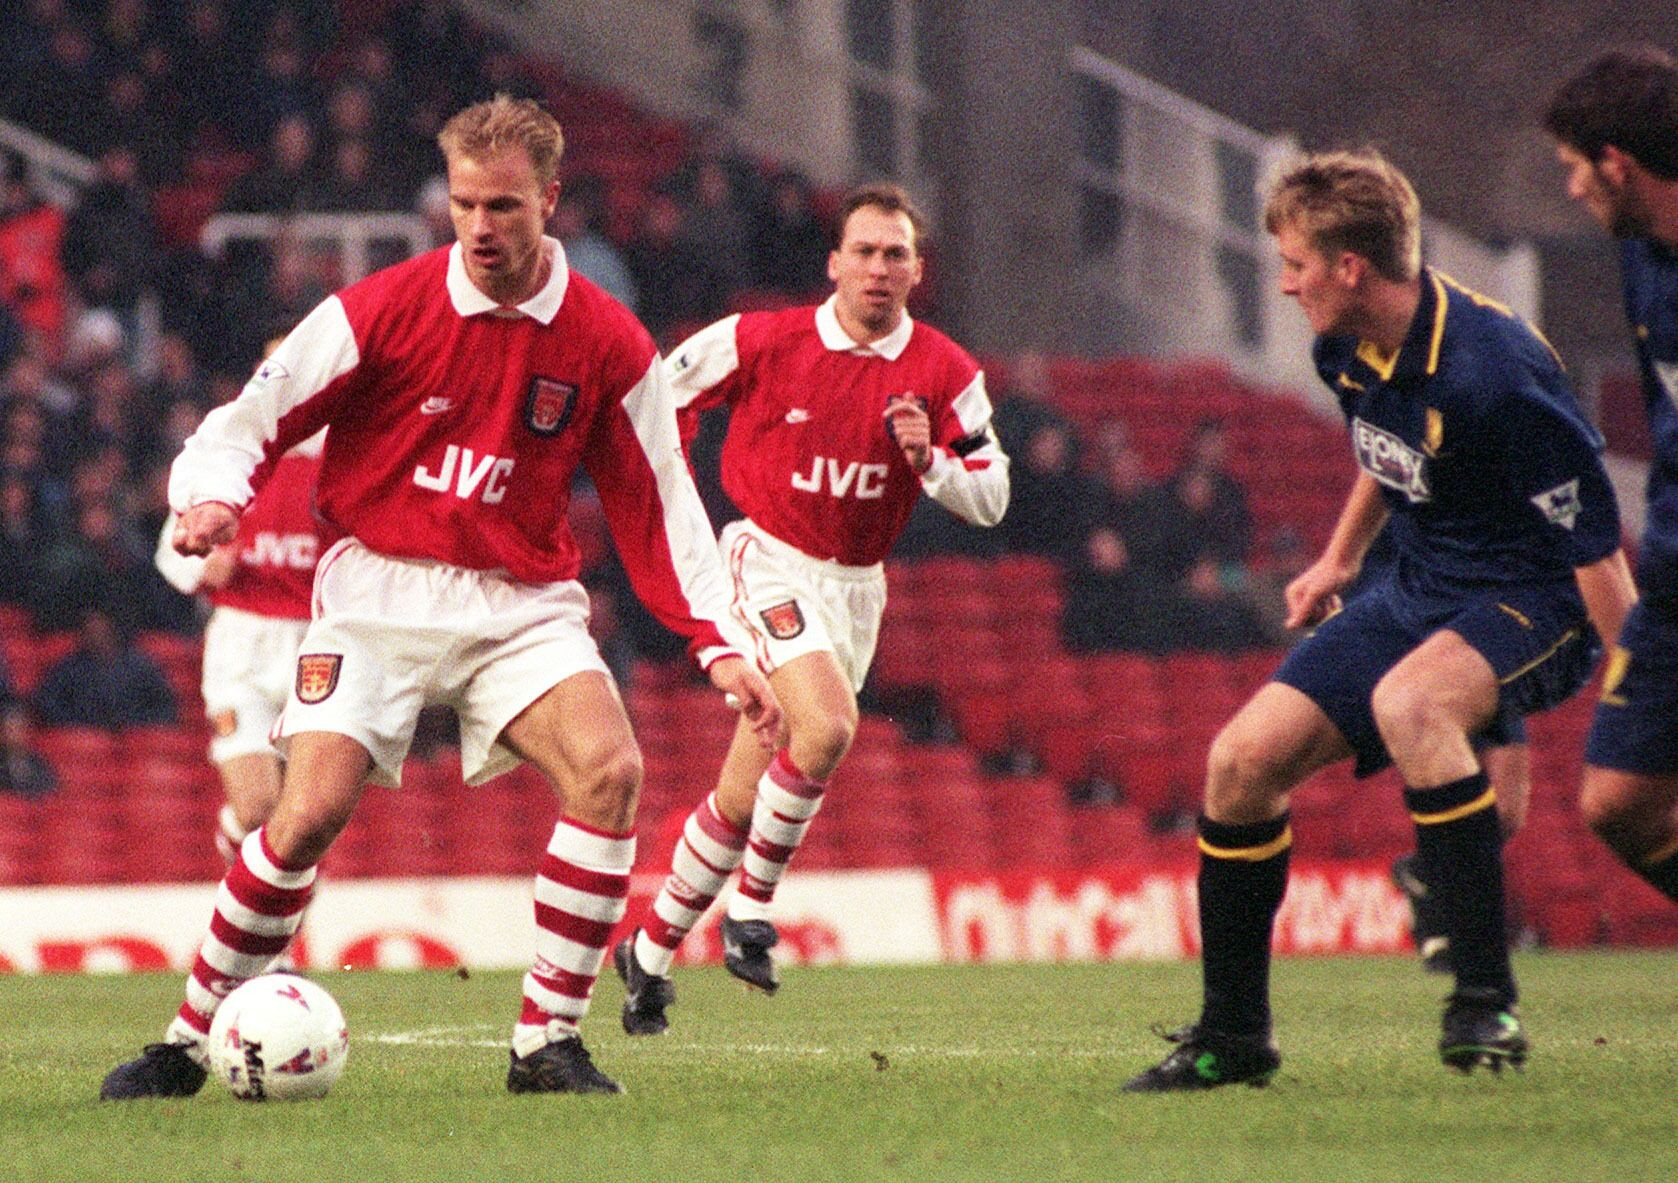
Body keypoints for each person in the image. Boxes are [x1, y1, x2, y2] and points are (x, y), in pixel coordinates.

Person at [100, 94, 780, 1102]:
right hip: (377, 589)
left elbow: (663, 506)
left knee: (611, 771)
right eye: (463, 204)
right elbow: (251, 418)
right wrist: (208, 499)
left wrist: (716, 642)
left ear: (549, 201)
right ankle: (186, 1038)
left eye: (503, 205)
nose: (480, 227)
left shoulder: (606, 340)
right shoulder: (379, 309)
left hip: (518, 600)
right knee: (303, 817)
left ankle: (545, 1041)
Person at [1123, 149, 1635, 1091]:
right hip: (1418, 585)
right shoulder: (1347, 342)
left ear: (1349, 269)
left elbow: (1596, 547)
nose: (1283, 283)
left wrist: (1643, 696)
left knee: (1412, 704)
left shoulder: (1499, 372)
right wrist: (1338, 557)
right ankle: (1233, 1038)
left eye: (1295, 263)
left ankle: (1484, 999)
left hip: (1536, 592)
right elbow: (1390, 443)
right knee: (1239, 763)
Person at [612, 183, 1010, 1035]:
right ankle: (752, 912)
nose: (877, 267)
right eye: (863, 251)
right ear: (834, 263)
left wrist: (931, 460)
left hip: (857, 586)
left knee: (740, 795)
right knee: (826, 727)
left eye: (894, 253)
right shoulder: (763, 338)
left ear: (915, 269)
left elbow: (994, 496)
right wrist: (676, 498)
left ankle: (645, 954)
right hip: (766, 556)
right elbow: (655, 395)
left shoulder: (945, 372)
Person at [1545, 47, 1678, 915]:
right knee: (1616, 802)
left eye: (1573, 168)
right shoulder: (1639, 258)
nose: (1572, 190)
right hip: (1673, 571)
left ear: (1617, 164)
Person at [153, 423, 327, 865]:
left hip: (319, 644)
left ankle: (277, 919)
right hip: (242, 641)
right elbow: (172, 552)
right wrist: (201, 566)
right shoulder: (232, 452)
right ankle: (238, 844)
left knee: (304, 822)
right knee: (258, 809)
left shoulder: (349, 452)